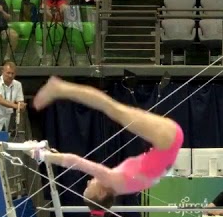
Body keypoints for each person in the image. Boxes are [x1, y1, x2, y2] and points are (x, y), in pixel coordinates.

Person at [33, 76, 184, 209]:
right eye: (88, 188)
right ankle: (60, 88)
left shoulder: (122, 186)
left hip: (168, 143)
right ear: (101, 193)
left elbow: (153, 174)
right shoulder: (111, 181)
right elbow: (75, 162)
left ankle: (60, 88)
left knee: (113, 109)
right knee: (110, 107)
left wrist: (49, 154)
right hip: (166, 140)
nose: (88, 183)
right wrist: (43, 156)